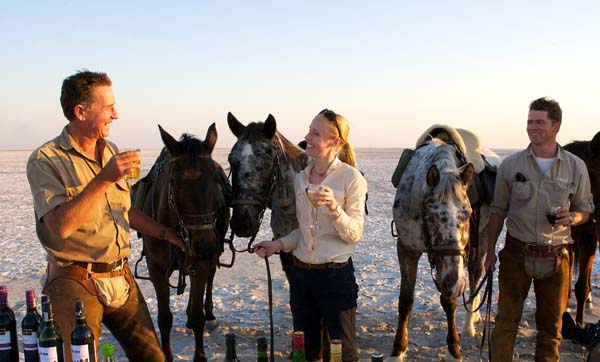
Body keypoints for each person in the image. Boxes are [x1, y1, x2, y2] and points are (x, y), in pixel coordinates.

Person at [27, 70, 184, 361]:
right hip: (75, 279)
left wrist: (164, 233)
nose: (116, 114)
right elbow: (60, 226)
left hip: (119, 276)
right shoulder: (45, 159)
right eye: (108, 107)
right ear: (80, 111)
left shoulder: (110, 150)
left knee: (154, 357)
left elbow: (123, 208)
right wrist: (104, 178)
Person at [484, 97, 594, 361]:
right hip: (515, 256)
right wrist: (489, 252)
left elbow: (586, 209)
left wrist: (573, 217)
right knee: (504, 326)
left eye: (540, 122)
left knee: (551, 330)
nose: (533, 127)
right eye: (530, 122)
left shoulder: (575, 166)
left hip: (556, 259)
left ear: (556, 126)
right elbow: (498, 210)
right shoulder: (511, 165)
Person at [255, 109, 367, 361]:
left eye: (315, 133)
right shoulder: (300, 179)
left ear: (335, 142)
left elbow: (354, 234)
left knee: (342, 353)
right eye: (309, 131)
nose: (308, 137)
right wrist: (277, 244)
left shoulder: (352, 179)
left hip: (336, 278)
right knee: (305, 352)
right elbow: (301, 232)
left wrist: (333, 207)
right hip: (301, 277)